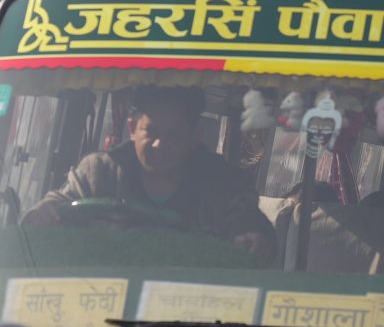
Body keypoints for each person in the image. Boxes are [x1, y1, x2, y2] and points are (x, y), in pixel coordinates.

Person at [23, 85, 275, 262]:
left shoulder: (225, 185)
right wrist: (43, 213)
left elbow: (246, 219)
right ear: (132, 129)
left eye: (173, 135)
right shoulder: (96, 173)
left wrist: (252, 237)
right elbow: (56, 205)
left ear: (194, 138)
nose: (158, 145)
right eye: (150, 132)